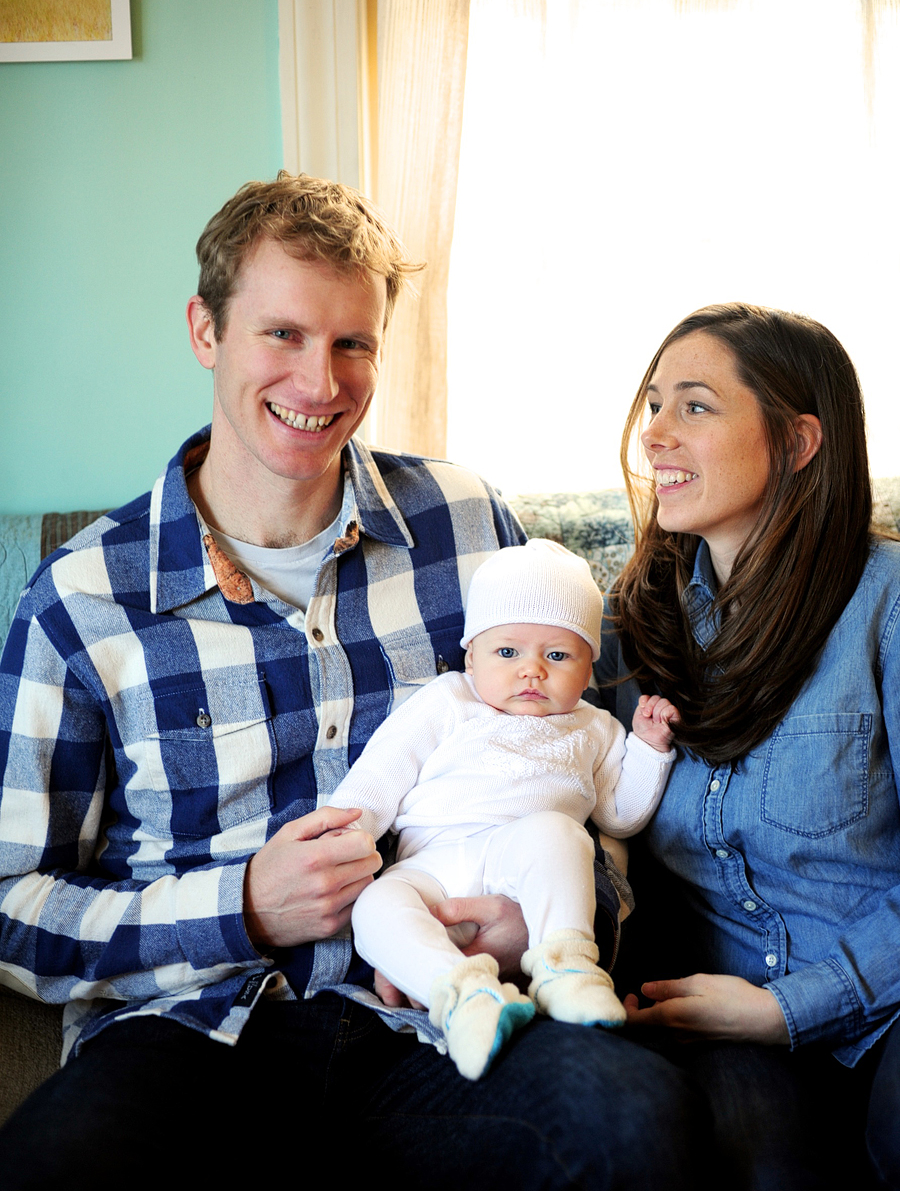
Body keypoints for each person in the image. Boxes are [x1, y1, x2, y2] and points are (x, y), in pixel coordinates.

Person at [0, 173, 702, 1189]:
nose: (319, 380)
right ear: (207, 330)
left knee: (630, 1122)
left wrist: (555, 912)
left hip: (446, 1020)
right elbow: (12, 901)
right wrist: (241, 904)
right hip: (192, 1032)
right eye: (281, 334)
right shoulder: (83, 596)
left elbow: (587, 763)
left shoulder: (472, 527)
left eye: (352, 343)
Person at [595, 301, 900, 1189]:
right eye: (653, 404)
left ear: (800, 443)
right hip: (711, 1016)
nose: (654, 435)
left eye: (694, 406)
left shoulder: (886, 603)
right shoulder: (631, 623)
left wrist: (786, 1008)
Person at [329, 538, 678, 1079]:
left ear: (588, 667)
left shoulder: (595, 727)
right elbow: (382, 773)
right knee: (374, 908)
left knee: (561, 836)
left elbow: (619, 817)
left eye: (558, 655)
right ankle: (464, 997)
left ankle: (568, 970)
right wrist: (346, 833)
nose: (532, 671)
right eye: (508, 653)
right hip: (431, 868)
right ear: (472, 656)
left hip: (524, 874)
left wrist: (649, 751)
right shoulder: (449, 700)